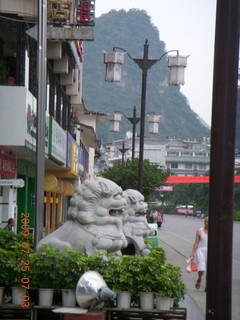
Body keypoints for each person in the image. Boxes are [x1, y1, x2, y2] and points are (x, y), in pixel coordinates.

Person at [190, 216, 208, 290]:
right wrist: (192, 253)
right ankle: (199, 278)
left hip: (210, 251)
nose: (208, 223)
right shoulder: (199, 231)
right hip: (201, 250)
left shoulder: (215, 231)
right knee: (201, 267)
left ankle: (207, 285)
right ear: (204, 222)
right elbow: (196, 242)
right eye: (206, 221)